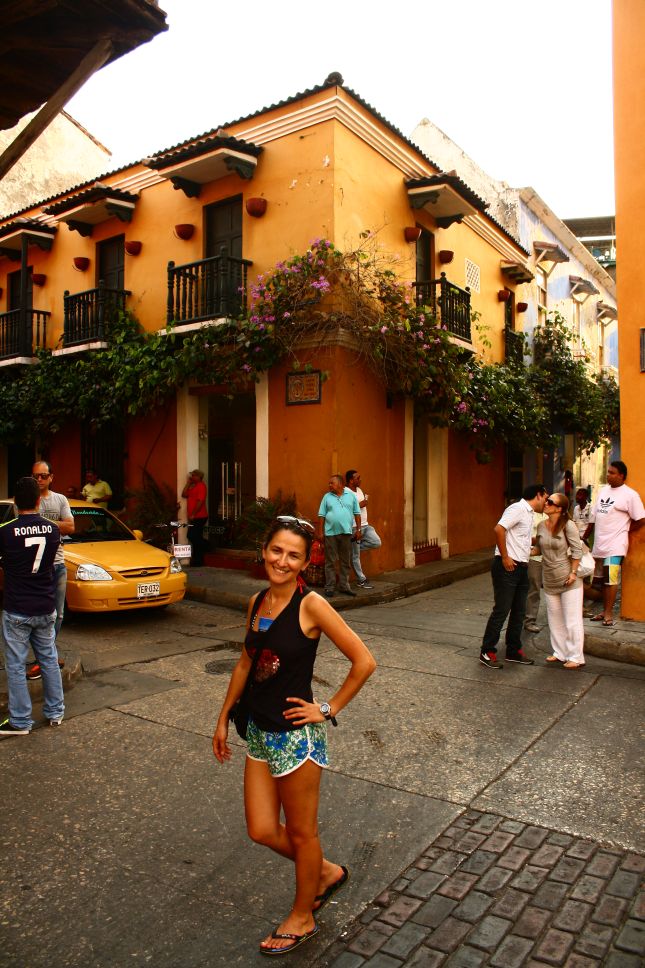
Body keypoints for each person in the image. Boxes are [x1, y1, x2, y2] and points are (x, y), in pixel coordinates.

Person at [212, 516, 376, 956]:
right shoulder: (257, 601)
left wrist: (327, 708)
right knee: (262, 829)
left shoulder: (312, 606)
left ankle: (303, 916)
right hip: (260, 734)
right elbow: (247, 663)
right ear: (264, 549)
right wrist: (224, 715)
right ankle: (322, 872)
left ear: (305, 563)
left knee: (302, 833)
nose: (282, 561)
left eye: (293, 555)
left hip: (296, 739)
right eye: (276, 550)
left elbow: (364, 661)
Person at [0, 477, 65, 737]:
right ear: (39, 500)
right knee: (48, 659)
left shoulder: (5, 530)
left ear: (15, 502)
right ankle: (55, 712)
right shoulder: (53, 529)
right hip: (45, 605)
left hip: (18, 607)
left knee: (16, 664)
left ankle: (20, 720)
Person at [480, 483, 548, 669]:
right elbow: (499, 529)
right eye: (546, 497)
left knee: (519, 611)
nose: (546, 502)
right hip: (507, 567)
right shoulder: (517, 508)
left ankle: (513, 650)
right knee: (502, 610)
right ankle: (487, 651)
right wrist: (505, 557)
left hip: (521, 567)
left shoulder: (529, 514)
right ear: (538, 495)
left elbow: (520, 540)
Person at [24, 461, 74, 681]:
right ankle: (41, 658)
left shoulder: (60, 499)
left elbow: (70, 527)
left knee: (58, 613)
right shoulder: (25, 501)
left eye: (43, 476)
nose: (40, 480)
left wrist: (40, 522)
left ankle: (48, 654)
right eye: (36, 476)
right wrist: (56, 524)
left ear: (51, 477)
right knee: (36, 614)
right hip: (35, 567)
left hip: (58, 563)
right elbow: (24, 528)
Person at [584, 461, 645, 626]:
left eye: (612, 472)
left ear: (621, 476)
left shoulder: (630, 495)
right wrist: (585, 537)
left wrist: (625, 530)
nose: (608, 475)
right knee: (599, 581)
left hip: (615, 546)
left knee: (610, 579)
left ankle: (609, 614)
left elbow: (640, 519)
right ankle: (603, 611)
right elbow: (594, 517)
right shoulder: (603, 491)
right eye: (608, 472)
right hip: (600, 544)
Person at [536, 493, 585, 669]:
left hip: (568, 579)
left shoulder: (568, 525)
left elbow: (577, 551)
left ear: (559, 508)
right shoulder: (541, 525)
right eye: (547, 501)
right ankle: (560, 652)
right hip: (549, 578)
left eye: (550, 502)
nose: (546, 503)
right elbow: (538, 549)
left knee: (572, 620)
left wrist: (573, 573)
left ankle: (576, 657)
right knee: (554, 619)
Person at [317, 475, 361, 598]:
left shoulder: (351, 496)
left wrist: (358, 530)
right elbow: (322, 515)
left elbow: (357, 513)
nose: (329, 485)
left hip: (346, 533)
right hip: (330, 533)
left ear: (341, 484)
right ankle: (330, 587)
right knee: (330, 561)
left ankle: (344, 586)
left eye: (332, 483)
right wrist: (321, 532)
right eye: (329, 483)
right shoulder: (327, 497)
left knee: (345, 561)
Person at [345, 469, 382, 590]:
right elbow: (346, 509)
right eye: (357, 478)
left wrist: (363, 502)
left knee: (376, 542)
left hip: (366, 525)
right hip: (355, 527)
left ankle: (351, 551)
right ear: (351, 480)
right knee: (356, 557)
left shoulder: (359, 490)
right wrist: (362, 504)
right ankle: (361, 580)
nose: (360, 480)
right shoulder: (346, 492)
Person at [524, 507, 547, 634]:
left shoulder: (550, 515)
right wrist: (542, 540)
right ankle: (529, 620)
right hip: (534, 556)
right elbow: (526, 537)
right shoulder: (529, 514)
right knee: (533, 587)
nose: (547, 502)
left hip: (550, 556)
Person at [181, 469, 208, 567]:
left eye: (193, 475)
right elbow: (184, 494)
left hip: (199, 516)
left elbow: (200, 501)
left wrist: (193, 514)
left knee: (192, 536)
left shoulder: (201, 486)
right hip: (194, 517)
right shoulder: (193, 486)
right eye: (192, 475)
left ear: (198, 477)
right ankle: (198, 561)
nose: (192, 477)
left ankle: (208, 546)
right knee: (196, 537)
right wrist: (188, 483)